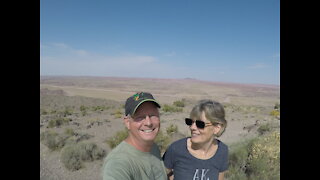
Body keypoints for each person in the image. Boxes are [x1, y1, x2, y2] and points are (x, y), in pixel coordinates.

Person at [102, 92, 167, 180]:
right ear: (127, 123)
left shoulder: (153, 147)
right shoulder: (117, 165)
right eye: (140, 117)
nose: (148, 123)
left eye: (153, 115)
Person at [163, 99, 228, 180]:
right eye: (190, 122)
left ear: (216, 128)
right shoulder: (176, 149)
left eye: (200, 124)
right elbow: (162, 174)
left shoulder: (222, 151)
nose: (192, 127)